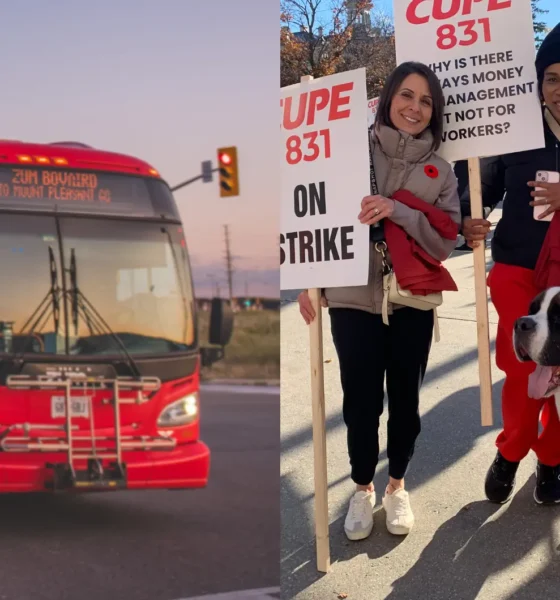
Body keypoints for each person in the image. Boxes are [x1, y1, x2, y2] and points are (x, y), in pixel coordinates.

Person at [297, 61, 461, 540]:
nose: (414, 107)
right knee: (361, 405)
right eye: (406, 95)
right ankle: (363, 487)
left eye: (426, 101)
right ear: (389, 98)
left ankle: (396, 486)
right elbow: (309, 213)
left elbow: (441, 244)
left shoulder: (443, 172)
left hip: (412, 300)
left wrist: (400, 211)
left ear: (435, 112)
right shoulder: (344, 151)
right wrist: (312, 284)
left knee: (405, 404)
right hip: (351, 301)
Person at [459, 23, 560, 505]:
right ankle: (512, 450)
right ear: (539, 82)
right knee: (523, 370)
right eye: (553, 78)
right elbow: (480, 186)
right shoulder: (516, 129)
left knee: (557, 373)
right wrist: (467, 218)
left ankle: (553, 459)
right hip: (517, 270)